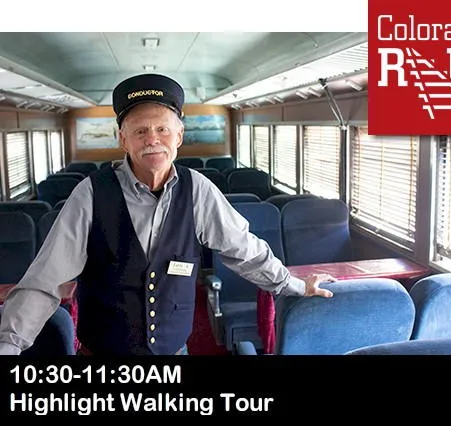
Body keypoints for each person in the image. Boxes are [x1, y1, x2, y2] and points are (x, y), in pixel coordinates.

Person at [0, 73, 334, 356]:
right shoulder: (90, 193)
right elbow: (45, 278)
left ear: (179, 136)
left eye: (162, 129)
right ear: (123, 139)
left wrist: (292, 285)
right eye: (140, 131)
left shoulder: (198, 190)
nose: (152, 140)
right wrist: (9, 344)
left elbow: (244, 249)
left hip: (174, 350)